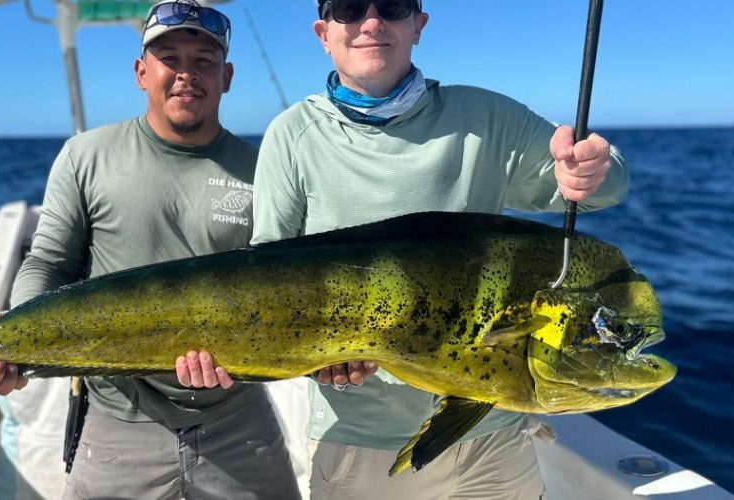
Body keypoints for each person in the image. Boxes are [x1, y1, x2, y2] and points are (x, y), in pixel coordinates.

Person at [251, 0, 631, 498]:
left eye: (390, 6)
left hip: (491, 437)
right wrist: (315, 356)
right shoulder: (291, 137)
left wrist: (592, 170)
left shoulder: (485, 118)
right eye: (348, 8)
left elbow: (604, 185)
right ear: (324, 33)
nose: (371, 22)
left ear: (418, 26)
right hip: (362, 444)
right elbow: (266, 290)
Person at [0, 1, 300, 499]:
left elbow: (285, 286)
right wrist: (17, 334)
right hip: (117, 420)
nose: (187, 74)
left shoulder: (266, 168)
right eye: (170, 59)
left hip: (238, 417)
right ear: (142, 73)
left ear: (226, 77)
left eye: (204, 60)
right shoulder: (86, 156)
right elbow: (49, 261)